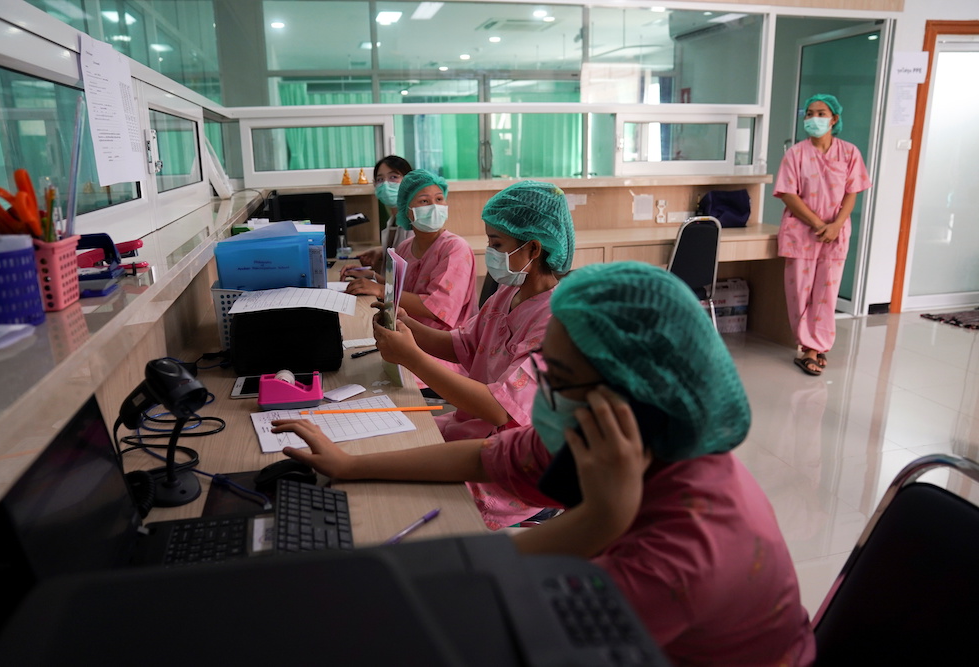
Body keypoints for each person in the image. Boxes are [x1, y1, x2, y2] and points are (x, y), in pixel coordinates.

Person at [271, 262, 816, 665]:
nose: (542, 388)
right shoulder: (613, 439)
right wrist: (351, 466)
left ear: (625, 400)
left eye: (558, 375)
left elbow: (492, 617)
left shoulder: (688, 549)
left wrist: (596, 521)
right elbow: (486, 455)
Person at [372, 180, 575, 528]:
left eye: (497, 243)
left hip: (507, 465)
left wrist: (411, 357)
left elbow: (499, 409)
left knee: (396, 502)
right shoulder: (506, 295)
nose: (490, 251)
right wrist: (406, 325)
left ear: (534, 248)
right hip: (470, 432)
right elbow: (461, 344)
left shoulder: (554, 321)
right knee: (390, 443)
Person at [774, 93, 871, 376]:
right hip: (802, 232)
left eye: (820, 113)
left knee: (827, 292)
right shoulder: (796, 154)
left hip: (835, 232)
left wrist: (836, 225)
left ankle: (816, 346)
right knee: (799, 293)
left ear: (834, 119)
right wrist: (819, 224)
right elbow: (788, 194)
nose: (813, 119)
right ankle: (808, 347)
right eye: (809, 114)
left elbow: (853, 192)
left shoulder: (850, 153)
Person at [344, 169, 477, 340]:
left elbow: (437, 308)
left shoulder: (455, 249)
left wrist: (380, 289)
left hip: (442, 344)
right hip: (407, 335)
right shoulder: (406, 247)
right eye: (424, 201)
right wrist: (374, 278)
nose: (434, 207)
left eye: (439, 199)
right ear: (407, 210)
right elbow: (404, 290)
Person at [340, 155, 413, 277]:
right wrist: (382, 251)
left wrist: (371, 276)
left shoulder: (413, 224)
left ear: (409, 182)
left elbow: (406, 279)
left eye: (393, 177)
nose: (385, 184)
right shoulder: (393, 221)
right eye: (380, 179)